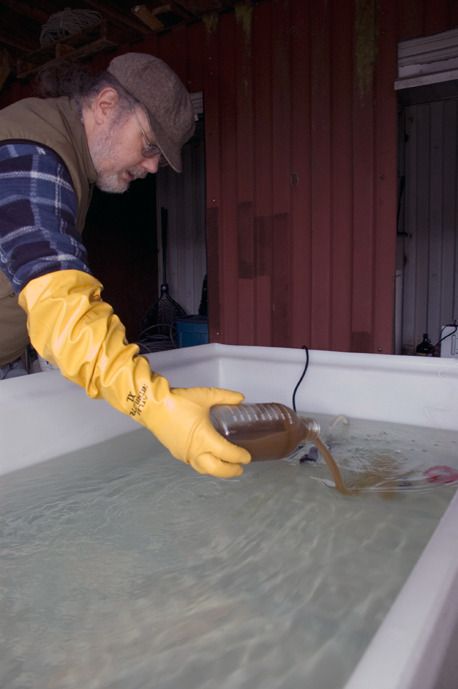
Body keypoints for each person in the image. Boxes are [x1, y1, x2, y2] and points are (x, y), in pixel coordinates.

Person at [0, 52, 251, 478]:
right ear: (106, 105)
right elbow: (60, 303)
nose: (153, 166)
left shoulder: (64, 155)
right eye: (150, 145)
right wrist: (152, 404)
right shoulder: (32, 155)